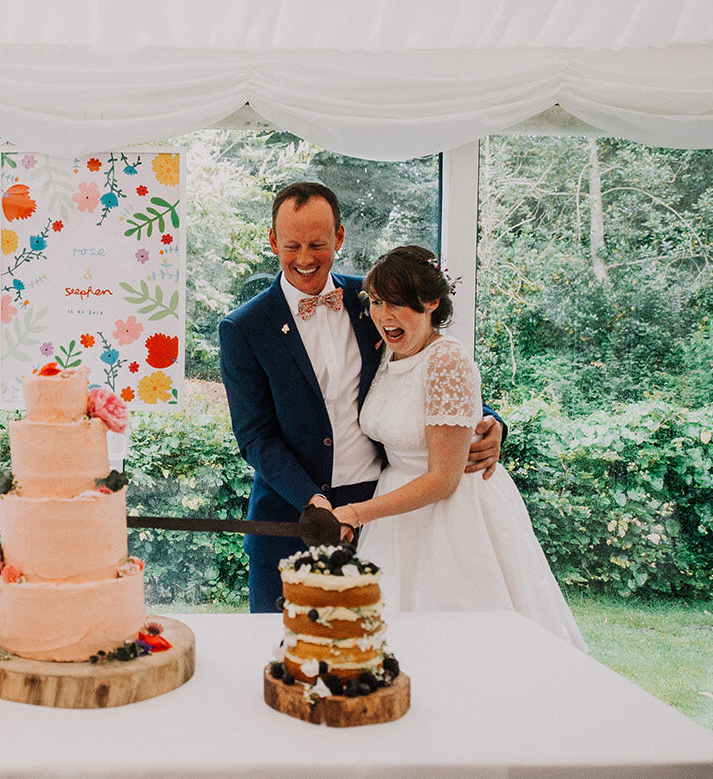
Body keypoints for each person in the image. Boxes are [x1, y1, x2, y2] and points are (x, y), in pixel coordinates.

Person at [219, 182, 505, 613]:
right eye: (292, 245)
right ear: (273, 241)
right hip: (291, 516)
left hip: (383, 518)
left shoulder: (373, 299)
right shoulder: (244, 327)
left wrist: (489, 420)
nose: (304, 258)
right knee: (285, 655)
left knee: (373, 653)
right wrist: (313, 501)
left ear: (339, 237)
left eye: (317, 244)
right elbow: (256, 436)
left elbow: (426, 360)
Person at [331, 245, 585, 648]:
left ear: (431, 302)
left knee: (462, 642)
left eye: (398, 303)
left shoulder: (446, 360)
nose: (384, 315)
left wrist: (356, 514)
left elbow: (444, 480)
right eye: (377, 302)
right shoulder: (389, 353)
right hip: (396, 513)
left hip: (450, 514)